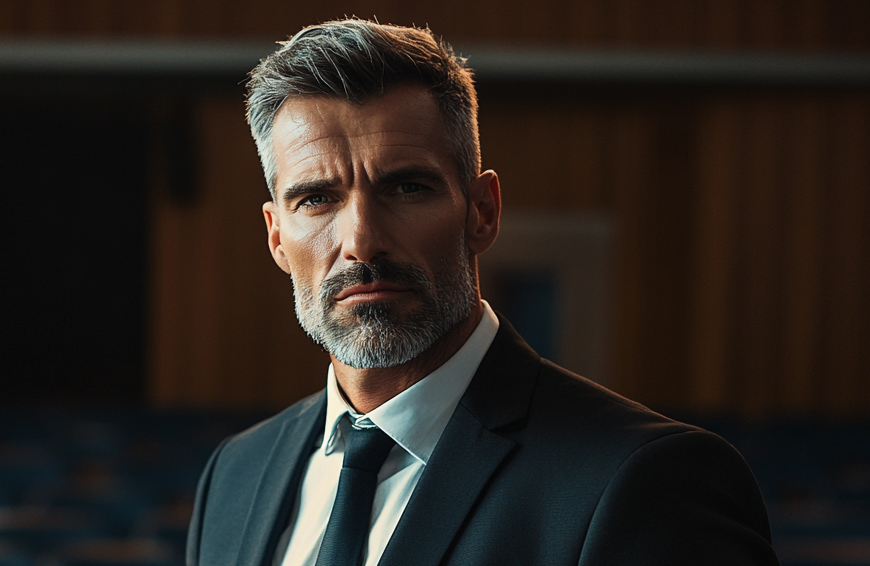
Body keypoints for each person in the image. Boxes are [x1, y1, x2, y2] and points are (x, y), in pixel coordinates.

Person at [186, 19, 779, 566]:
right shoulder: (236, 475)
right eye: (316, 198)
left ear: (483, 212)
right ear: (276, 238)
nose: (361, 242)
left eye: (407, 187)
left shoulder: (648, 479)